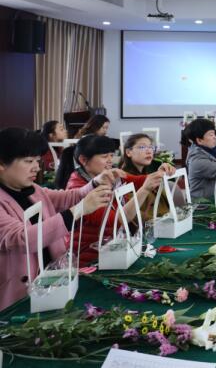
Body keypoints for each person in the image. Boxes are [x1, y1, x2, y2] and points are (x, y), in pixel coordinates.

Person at [0, 127, 117, 311]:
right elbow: (21, 239)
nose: (37, 167)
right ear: (2, 163)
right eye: (28, 161)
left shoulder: (31, 189)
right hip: (18, 297)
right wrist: (78, 211)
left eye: (37, 161)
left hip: (52, 285)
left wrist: (95, 182)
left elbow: (67, 197)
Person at [64, 135, 161, 264]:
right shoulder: (78, 189)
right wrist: (144, 190)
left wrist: (160, 173)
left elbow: (138, 180)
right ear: (83, 160)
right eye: (105, 156)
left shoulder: (106, 175)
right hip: (90, 258)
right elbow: (116, 221)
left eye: (111, 155)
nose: (110, 161)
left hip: (112, 250)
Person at [119, 133, 180, 223]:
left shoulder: (146, 173)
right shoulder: (123, 180)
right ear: (128, 152)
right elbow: (134, 217)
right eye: (142, 147)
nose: (149, 151)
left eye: (151, 147)